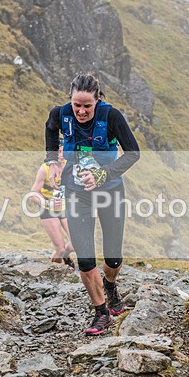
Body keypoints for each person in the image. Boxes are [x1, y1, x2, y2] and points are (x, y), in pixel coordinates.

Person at [45, 73, 140, 335]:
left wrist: (103, 174)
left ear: (97, 101)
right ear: (71, 100)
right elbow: (51, 130)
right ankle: (101, 313)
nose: (81, 111)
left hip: (110, 191)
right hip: (77, 193)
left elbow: (133, 152)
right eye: (77, 105)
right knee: (85, 258)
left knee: (113, 257)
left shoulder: (111, 117)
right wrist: (52, 160)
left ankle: (110, 285)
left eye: (87, 105)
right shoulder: (61, 113)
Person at [29, 145, 75, 269]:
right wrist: (49, 203)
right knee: (59, 248)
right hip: (48, 209)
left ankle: (65, 255)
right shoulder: (45, 169)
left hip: (65, 208)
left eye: (63, 151)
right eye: (58, 152)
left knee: (77, 243)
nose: (61, 154)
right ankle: (53, 275)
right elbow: (33, 195)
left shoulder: (70, 165)